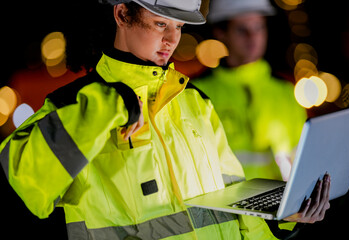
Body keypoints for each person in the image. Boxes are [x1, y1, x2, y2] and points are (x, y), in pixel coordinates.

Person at [0, 0, 330, 239]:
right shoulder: (76, 106)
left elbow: (232, 200)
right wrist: (108, 104)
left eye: (179, 27)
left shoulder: (195, 102)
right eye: (161, 23)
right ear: (122, 14)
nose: (172, 39)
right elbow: (27, 183)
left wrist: (281, 221)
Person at [193, 0, 307, 181]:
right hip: (224, 207)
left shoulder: (285, 92)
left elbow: (303, 162)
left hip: (281, 206)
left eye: (258, 27)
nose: (252, 37)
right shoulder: (197, 93)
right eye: (241, 29)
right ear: (220, 33)